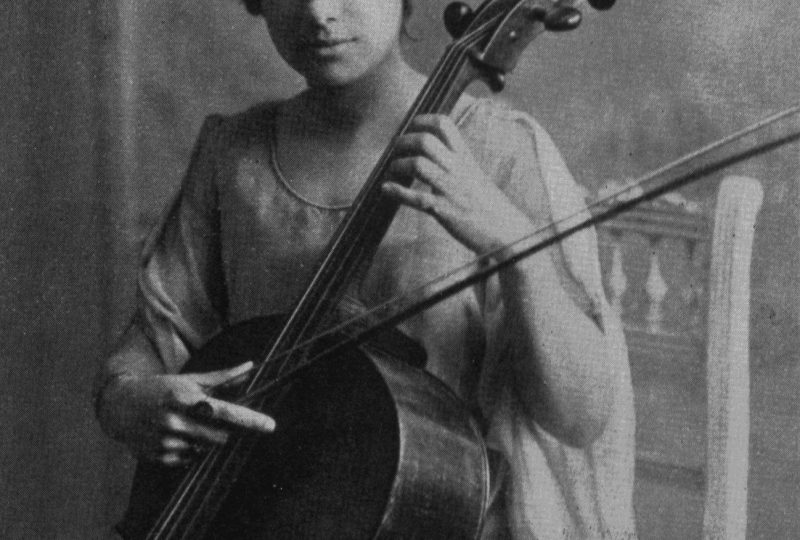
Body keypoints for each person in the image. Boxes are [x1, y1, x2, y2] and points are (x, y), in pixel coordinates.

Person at [94, 0, 636, 537]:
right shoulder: (232, 152)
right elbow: (152, 341)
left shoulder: (502, 150)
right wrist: (129, 401)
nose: (318, 12)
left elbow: (580, 419)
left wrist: (515, 242)